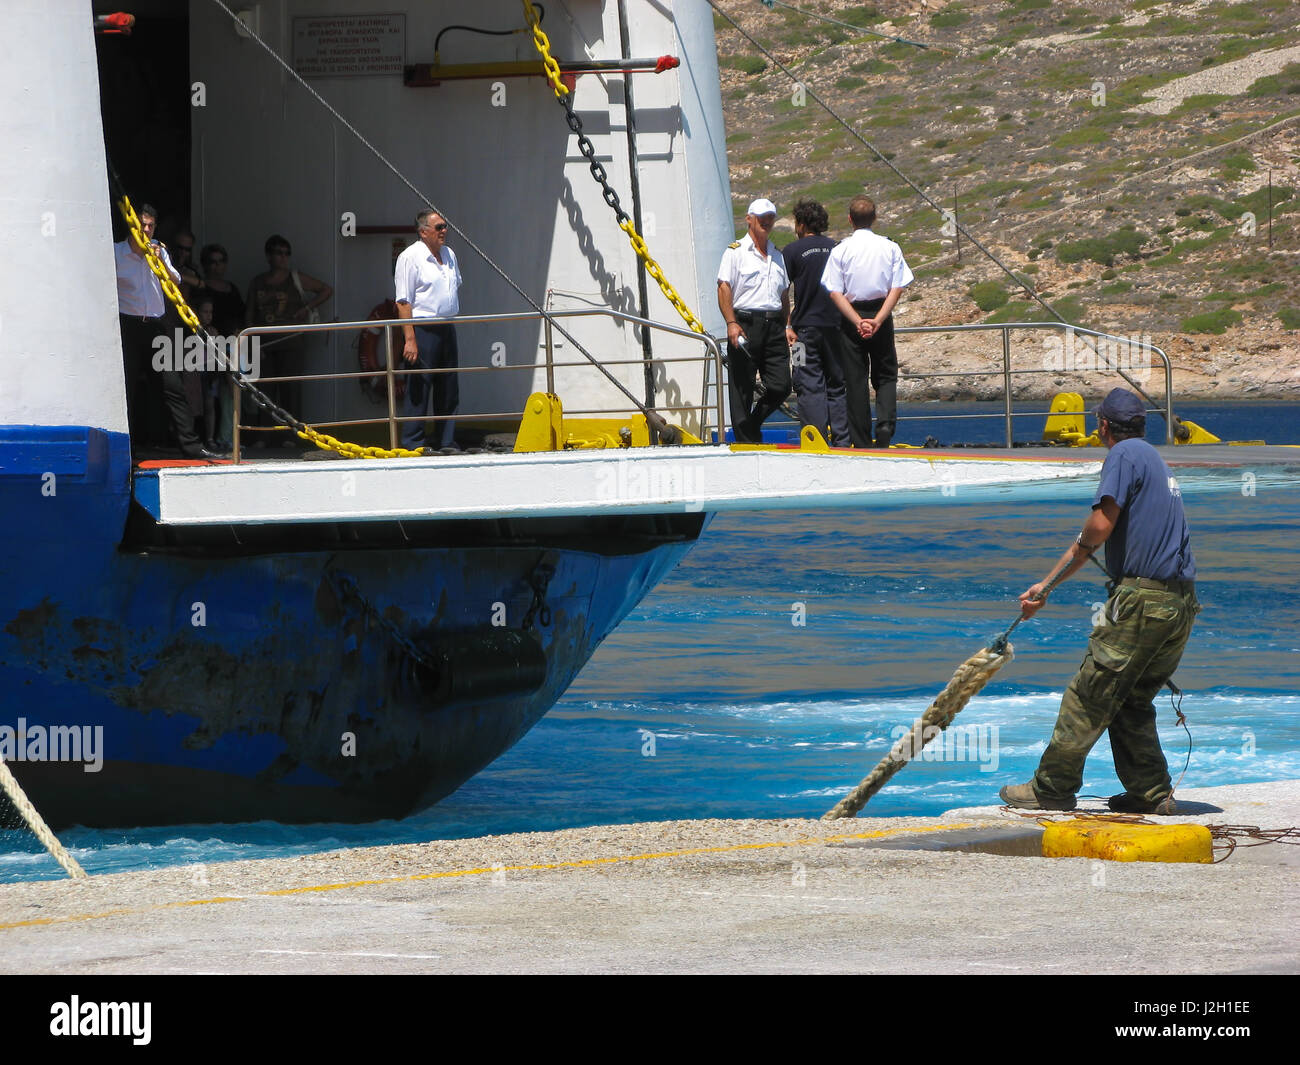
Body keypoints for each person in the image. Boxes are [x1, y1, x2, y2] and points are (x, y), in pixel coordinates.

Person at [1000, 389, 1199, 815]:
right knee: (1131, 699)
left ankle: (1051, 788)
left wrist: (1047, 584)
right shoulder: (1154, 459)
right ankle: (1151, 793)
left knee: (1090, 694)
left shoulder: (1123, 455)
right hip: (1179, 603)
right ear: (1142, 425)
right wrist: (1048, 584)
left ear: (1103, 426)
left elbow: (1098, 527)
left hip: (1142, 602)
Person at [115, 203, 222, 459]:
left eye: (151, 225)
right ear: (132, 225)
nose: (147, 230)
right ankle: (125, 448)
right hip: (128, 326)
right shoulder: (116, 252)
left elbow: (176, 279)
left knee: (172, 387)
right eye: (143, 225)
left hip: (155, 325)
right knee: (126, 388)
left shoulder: (159, 251)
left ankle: (192, 446)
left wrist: (158, 260)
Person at [820, 194, 913, 448]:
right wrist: (879, 320)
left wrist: (857, 320)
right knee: (885, 374)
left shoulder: (841, 250)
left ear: (850, 220)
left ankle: (860, 440)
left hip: (851, 318)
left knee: (855, 379)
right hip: (880, 314)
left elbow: (834, 292)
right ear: (875, 218)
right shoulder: (890, 247)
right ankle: (885, 423)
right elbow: (898, 286)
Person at [717, 198, 792, 444]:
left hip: (774, 326)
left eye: (770, 217)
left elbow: (783, 295)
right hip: (745, 323)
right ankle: (744, 440)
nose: (766, 222)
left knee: (781, 386)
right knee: (742, 388)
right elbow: (724, 287)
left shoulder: (777, 255)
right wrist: (731, 323)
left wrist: (788, 325)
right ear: (749, 219)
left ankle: (752, 424)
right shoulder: (735, 251)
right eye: (761, 217)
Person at [245, 235, 331, 445]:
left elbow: (326, 290)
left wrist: (307, 308)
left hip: (291, 342)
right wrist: (251, 342)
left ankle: (292, 435)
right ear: (269, 256)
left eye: (286, 253)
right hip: (264, 343)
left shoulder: (296, 278)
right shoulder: (257, 282)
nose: (283, 258)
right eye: (278, 253)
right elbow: (249, 315)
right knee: (264, 392)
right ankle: (263, 435)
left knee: (291, 390)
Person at [783, 198, 849, 447]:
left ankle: (816, 440)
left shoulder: (791, 251)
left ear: (800, 224)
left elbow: (781, 292)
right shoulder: (837, 248)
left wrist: (787, 325)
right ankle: (842, 440)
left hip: (802, 333)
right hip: (836, 327)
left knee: (806, 383)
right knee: (837, 384)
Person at [394, 209, 462, 449]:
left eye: (445, 226)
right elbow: (403, 301)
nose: (444, 231)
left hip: (446, 326)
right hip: (423, 329)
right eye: (439, 227)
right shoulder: (409, 257)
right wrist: (409, 339)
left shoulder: (450, 254)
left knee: (449, 387)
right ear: (423, 232)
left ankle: (446, 440)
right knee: (419, 387)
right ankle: (413, 442)